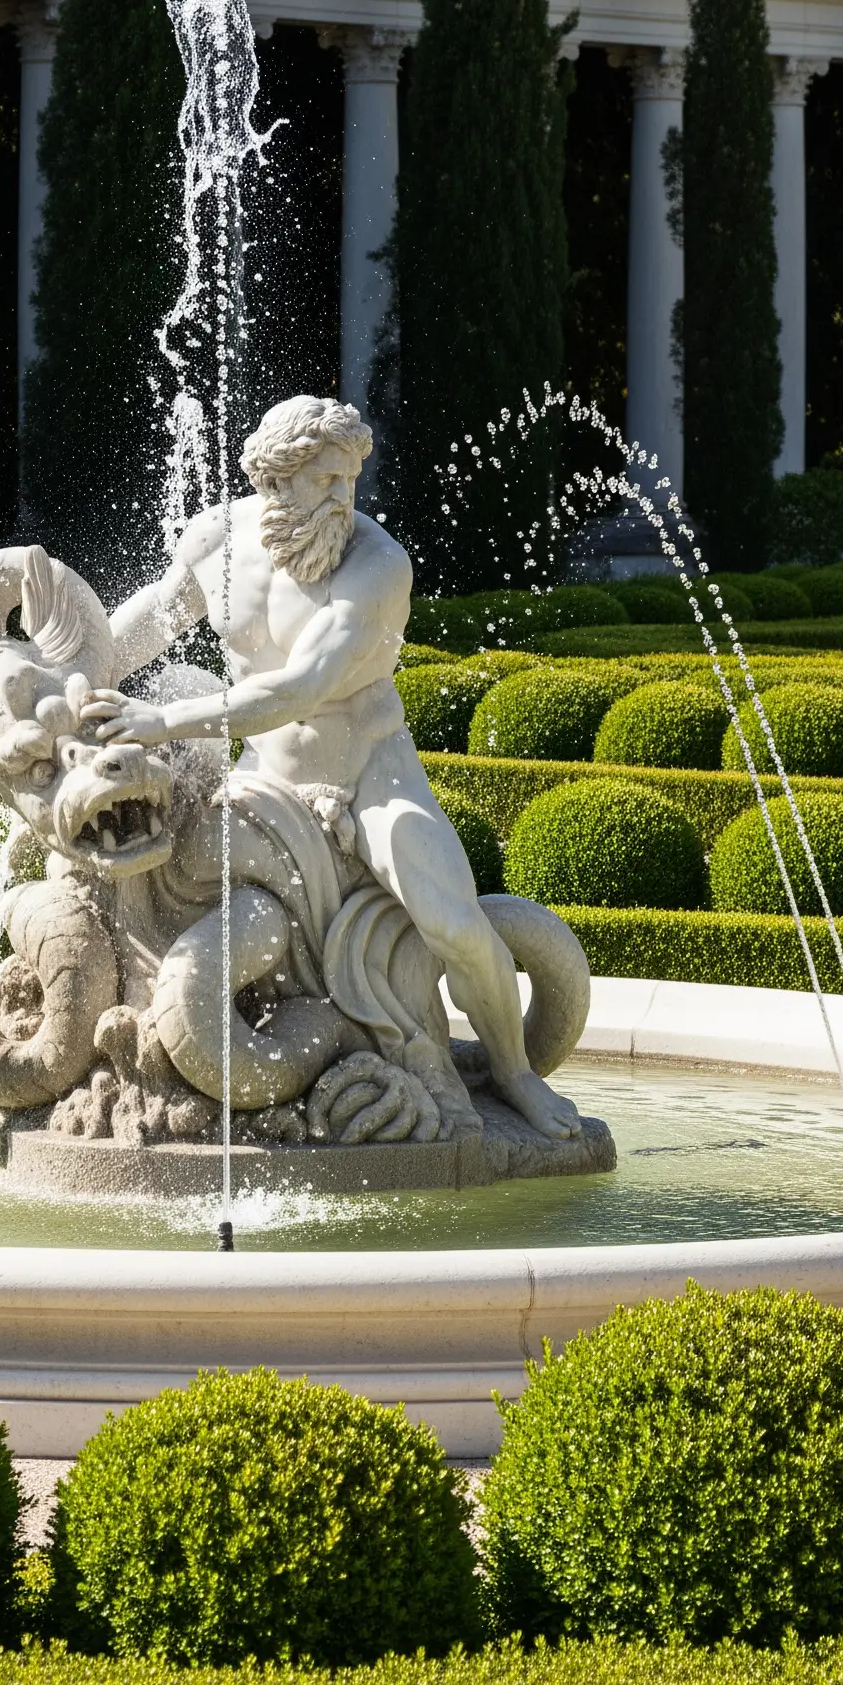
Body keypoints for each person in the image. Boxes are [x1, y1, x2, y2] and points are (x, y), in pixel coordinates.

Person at [83, 393, 581, 1140]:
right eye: (324, 479)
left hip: (369, 775)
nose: (343, 497)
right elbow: (154, 618)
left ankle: (513, 1072)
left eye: (349, 478)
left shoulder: (378, 566)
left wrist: (161, 719)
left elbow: (300, 687)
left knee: (452, 919)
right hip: (266, 780)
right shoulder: (216, 539)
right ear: (274, 481)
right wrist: (78, 682)